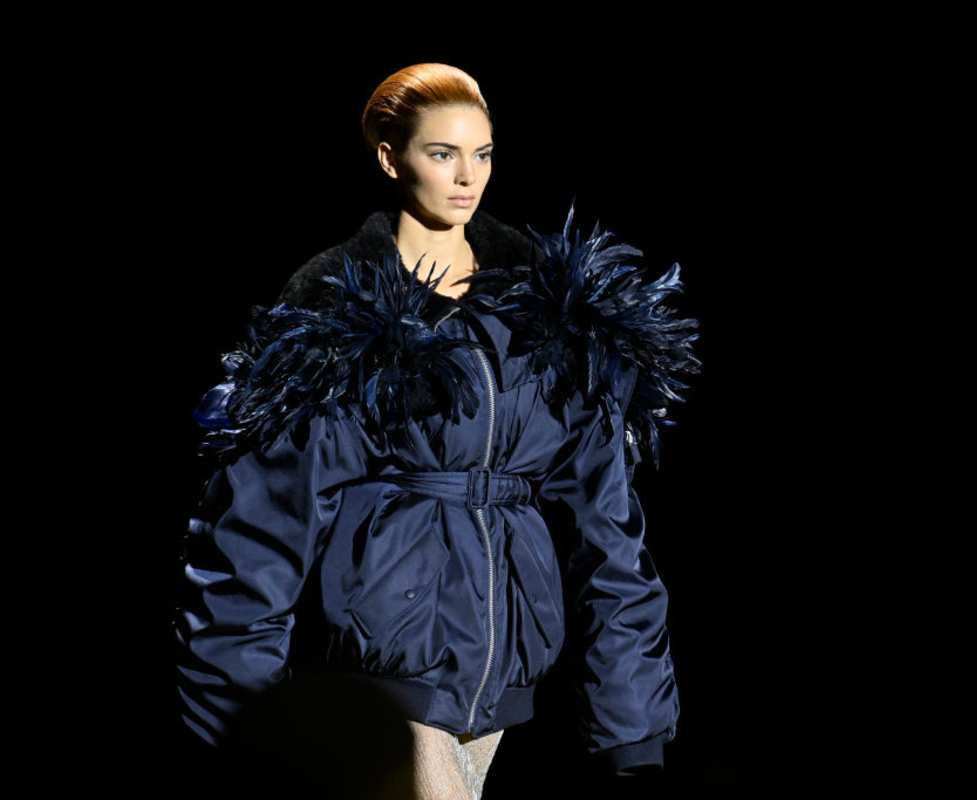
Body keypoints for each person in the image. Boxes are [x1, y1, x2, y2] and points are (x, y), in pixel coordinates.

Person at [173, 62, 700, 800]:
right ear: (391, 158)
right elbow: (261, 530)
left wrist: (632, 721)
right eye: (442, 153)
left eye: (482, 153)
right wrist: (237, 729)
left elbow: (606, 525)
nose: (466, 177)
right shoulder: (340, 321)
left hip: (504, 682)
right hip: (384, 675)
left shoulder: (546, 317)